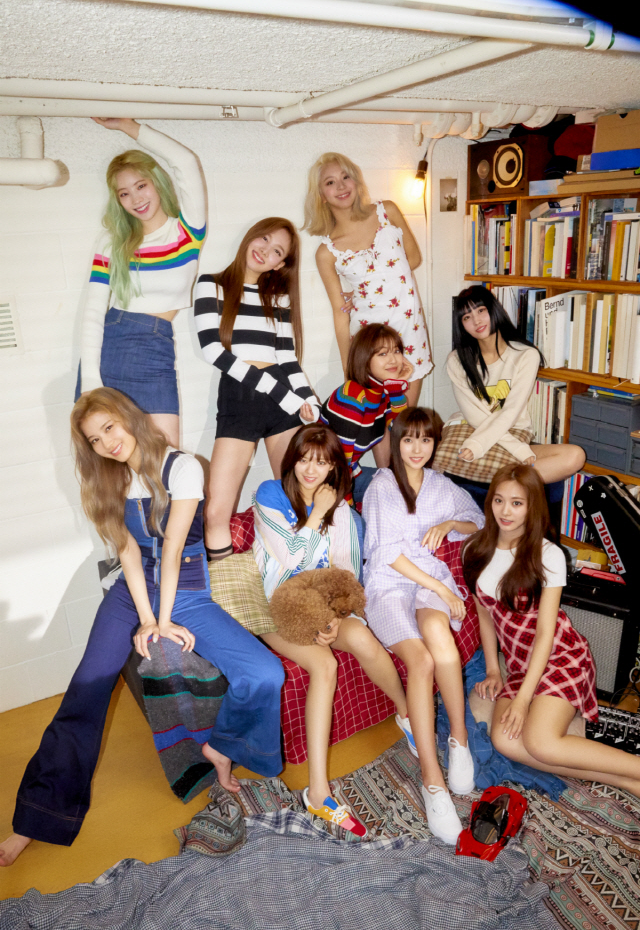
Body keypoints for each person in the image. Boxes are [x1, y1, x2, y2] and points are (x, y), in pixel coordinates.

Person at [0, 388, 284, 867]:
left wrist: (165, 618)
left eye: (109, 427)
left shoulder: (183, 467)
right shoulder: (109, 479)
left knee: (264, 673)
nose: (106, 443)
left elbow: (172, 551)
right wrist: (147, 619)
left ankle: (222, 748)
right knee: (85, 691)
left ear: (128, 417)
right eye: (94, 439)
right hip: (131, 593)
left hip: (186, 588)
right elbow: (130, 554)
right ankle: (36, 818)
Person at [252, 423, 409, 836]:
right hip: (276, 609)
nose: (310, 470)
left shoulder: (344, 515)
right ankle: (318, 792)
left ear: (333, 468)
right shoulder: (270, 496)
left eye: (321, 463)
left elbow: (345, 576)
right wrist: (318, 513)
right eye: (304, 459)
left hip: (323, 606)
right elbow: (288, 560)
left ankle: (406, 713)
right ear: (292, 461)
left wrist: (336, 616)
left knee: (361, 637)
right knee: (325, 665)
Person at [463, 463, 640, 797]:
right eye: (499, 500)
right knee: (505, 741)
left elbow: (545, 632)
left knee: (540, 743)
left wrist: (522, 700)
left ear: (532, 506)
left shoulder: (548, 555)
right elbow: (484, 614)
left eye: (517, 503)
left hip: (559, 656)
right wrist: (493, 670)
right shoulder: (475, 550)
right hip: (519, 665)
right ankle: (626, 781)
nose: (505, 511)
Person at [363, 407, 484, 843]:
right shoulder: (382, 485)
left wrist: (450, 523)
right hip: (389, 585)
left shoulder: (440, 485)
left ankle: (459, 741)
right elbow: (387, 554)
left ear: (435, 444)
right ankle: (432, 780)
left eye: (426, 440)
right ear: (396, 442)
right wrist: (444, 591)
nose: (417, 448)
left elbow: (478, 521)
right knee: (422, 662)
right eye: (409, 439)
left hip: (429, 582)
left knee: (443, 645)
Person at [194, 218, 319, 561]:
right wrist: (279, 392)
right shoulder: (211, 285)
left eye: (276, 250)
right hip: (240, 399)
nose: (265, 250)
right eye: (263, 239)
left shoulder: (278, 298)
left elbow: (287, 358)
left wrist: (309, 400)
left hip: (283, 403)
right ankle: (227, 586)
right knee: (216, 511)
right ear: (251, 236)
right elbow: (212, 351)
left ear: (280, 264)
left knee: (298, 500)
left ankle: (300, 577)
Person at [76, 118, 207, 447]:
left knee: (166, 456)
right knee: (111, 463)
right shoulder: (112, 243)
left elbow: (186, 161)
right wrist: (91, 382)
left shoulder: (186, 231)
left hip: (158, 345)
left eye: (141, 185)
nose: (135, 199)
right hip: (115, 345)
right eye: (124, 193)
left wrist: (129, 127)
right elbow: (93, 312)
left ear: (157, 182)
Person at [304, 152, 432, 407]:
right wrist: (348, 369)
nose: (341, 186)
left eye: (345, 177)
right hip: (368, 343)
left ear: (356, 181)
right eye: (330, 182)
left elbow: (414, 259)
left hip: (409, 331)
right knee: (375, 422)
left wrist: (371, 287)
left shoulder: (388, 211)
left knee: (405, 418)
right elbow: (340, 313)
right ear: (321, 195)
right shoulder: (326, 252)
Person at [433, 285, 585, 484]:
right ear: (461, 325)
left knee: (575, 456)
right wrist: (516, 449)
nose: (476, 321)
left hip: (512, 431)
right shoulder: (457, 359)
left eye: (481, 311)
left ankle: (498, 480)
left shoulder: (525, 356)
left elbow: (512, 410)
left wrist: (497, 445)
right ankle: (509, 481)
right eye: (467, 317)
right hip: (471, 429)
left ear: (494, 310)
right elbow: (473, 415)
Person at [320, 323, 412, 507]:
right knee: (365, 526)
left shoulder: (380, 391)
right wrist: (350, 510)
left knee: (405, 489)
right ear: (364, 358)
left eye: (396, 351)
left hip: (348, 476)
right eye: (382, 354)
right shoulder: (352, 398)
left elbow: (403, 429)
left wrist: (396, 387)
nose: (393, 360)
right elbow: (339, 463)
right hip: (324, 485)